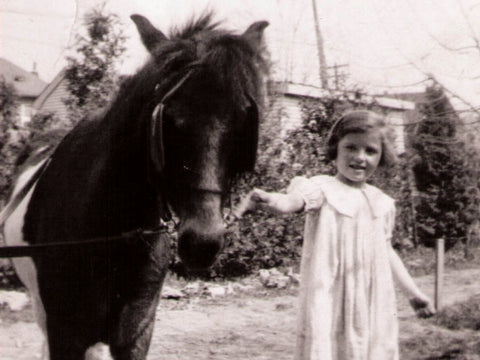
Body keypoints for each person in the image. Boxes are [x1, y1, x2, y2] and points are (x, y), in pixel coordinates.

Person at [240, 110, 435, 360]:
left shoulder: (382, 203)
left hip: (373, 303)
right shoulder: (322, 188)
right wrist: (271, 200)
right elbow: (293, 202)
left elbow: (386, 252)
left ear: (382, 155)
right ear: (336, 148)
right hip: (330, 298)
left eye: (370, 151)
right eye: (351, 147)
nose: (359, 157)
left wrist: (414, 294)